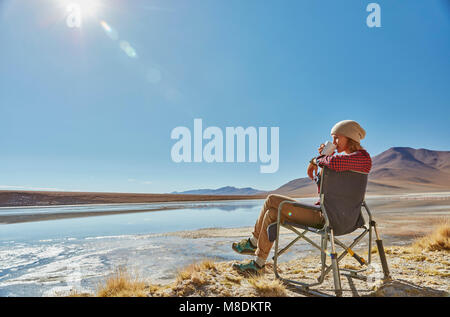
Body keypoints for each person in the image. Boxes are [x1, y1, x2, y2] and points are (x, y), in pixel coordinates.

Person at [231, 120, 372, 274]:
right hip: (327, 214)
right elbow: (325, 185)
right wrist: (321, 160)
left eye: (337, 138)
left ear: (350, 138)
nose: (334, 142)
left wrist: (318, 159)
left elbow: (334, 162)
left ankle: (253, 243)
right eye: (332, 138)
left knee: (271, 199)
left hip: (328, 217)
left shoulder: (362, 158)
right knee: (271, 213)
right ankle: (258, 264)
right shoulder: (346, 162)